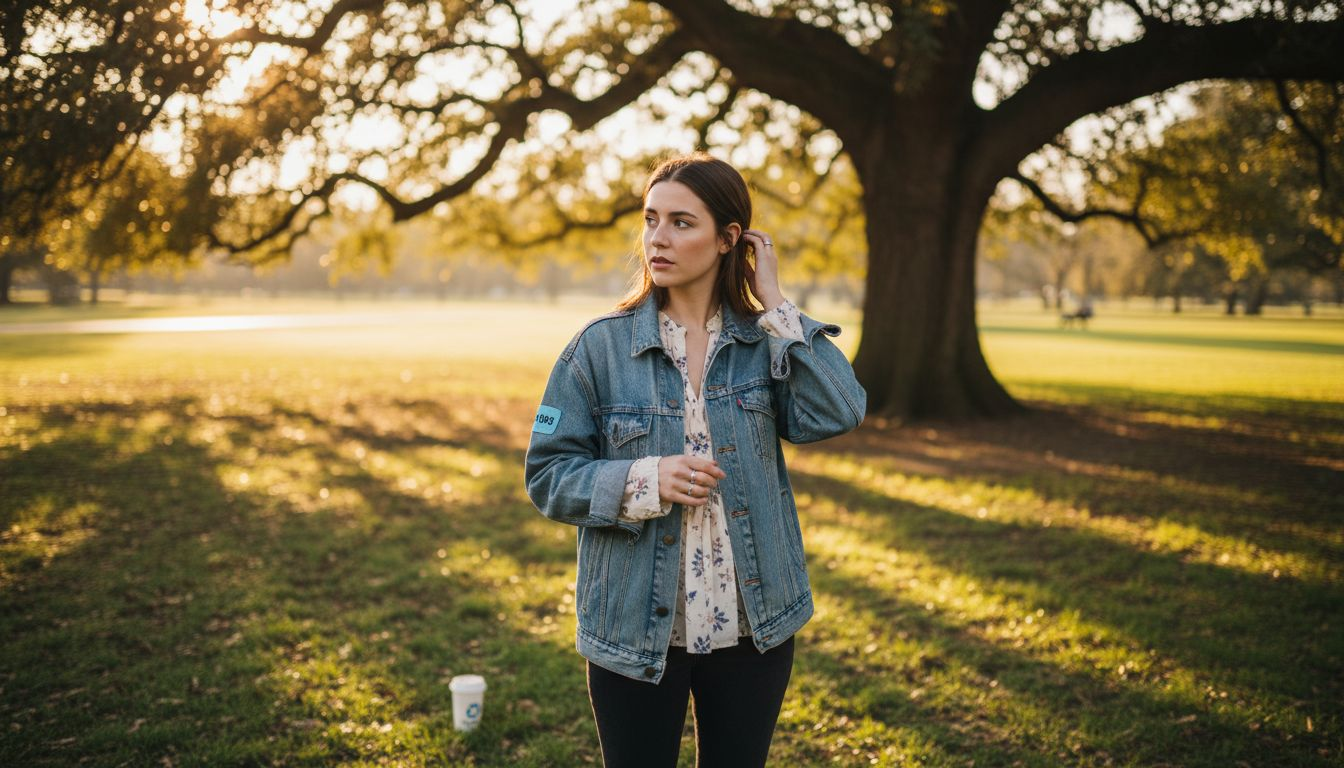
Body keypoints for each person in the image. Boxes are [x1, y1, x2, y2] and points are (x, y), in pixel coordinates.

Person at [525, 152, 866, 768]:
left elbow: (840, 410)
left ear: (729, 239)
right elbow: (548, 476)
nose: (658, 238)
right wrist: (644, 477)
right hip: (633, 629)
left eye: (682, 222)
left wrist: (777, 305)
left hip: (751, 625)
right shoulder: (597, 348)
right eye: (652, 220)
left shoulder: (763, 342)